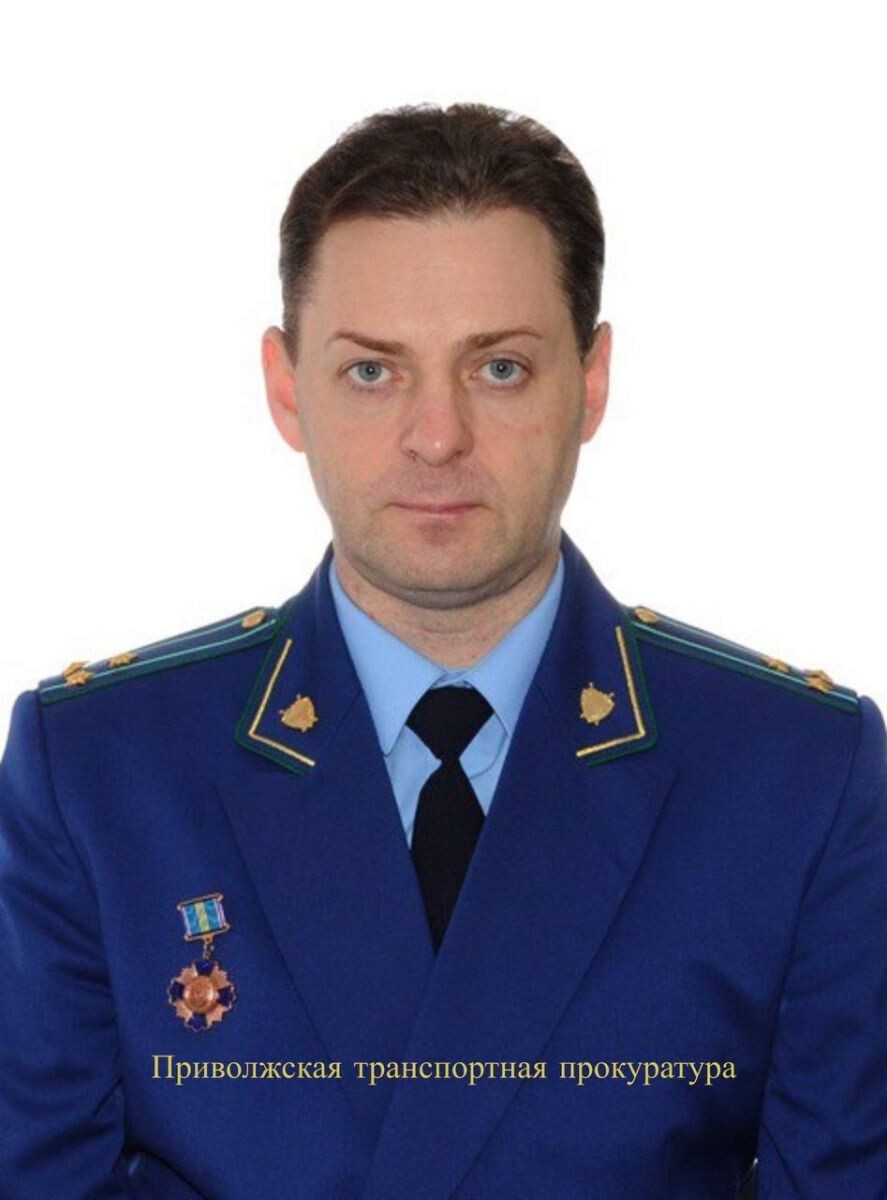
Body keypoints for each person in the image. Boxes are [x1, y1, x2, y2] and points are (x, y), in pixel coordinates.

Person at [0, 101, 884, 1200]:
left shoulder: (792, 776)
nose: (436, 436)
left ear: (590, 381)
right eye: (372, 372)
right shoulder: (101, 772)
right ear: (286, 388)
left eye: (498, 368)